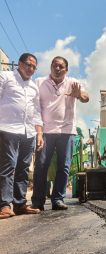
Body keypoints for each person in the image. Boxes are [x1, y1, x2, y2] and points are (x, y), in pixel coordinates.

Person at [31, 56, 89, 211]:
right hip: (46, 131)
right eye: (55, 66)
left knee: (64, 166)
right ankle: (37, 201)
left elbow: (86, 97)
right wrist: (38, 131)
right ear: (50, 66)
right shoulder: (39, 82)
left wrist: (78, 95)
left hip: (67, 131)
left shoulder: (72, 83)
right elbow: (34, 106)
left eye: (61, 67)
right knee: (41, 165)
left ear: (66, 70)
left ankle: (58, 199)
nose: (57, 69)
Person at [0, 53, 43, 219]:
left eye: (34, 67)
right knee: (8, 166)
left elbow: (37, 111)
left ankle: (19, 204)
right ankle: (4, 205)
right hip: (8, 128)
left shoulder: (33, 87)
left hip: (29, 131)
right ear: (19, 63)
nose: (30, 69)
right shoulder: (6, 76)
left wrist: (39, 133)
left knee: (23, 169)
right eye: (28, 64)